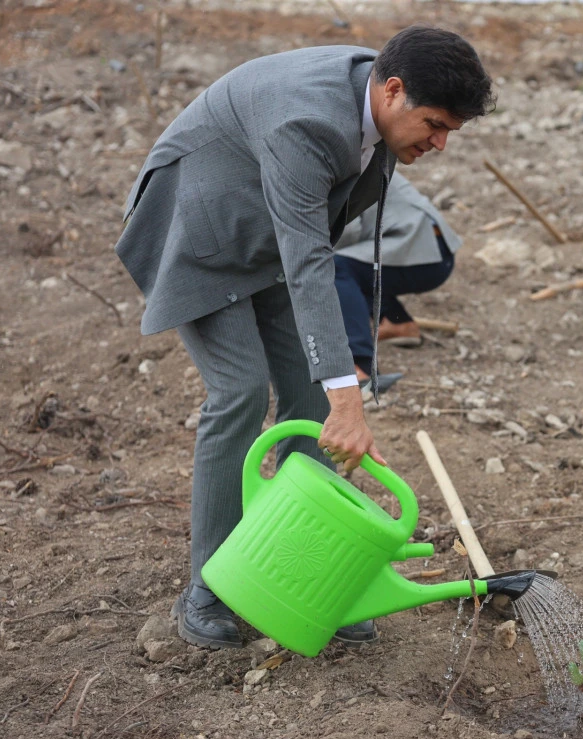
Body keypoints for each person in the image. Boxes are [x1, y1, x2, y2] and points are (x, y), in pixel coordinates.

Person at [114, 27, 495, 650]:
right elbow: (309, 256)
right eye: (434, 124)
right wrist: (351, 396)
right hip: (201, 231)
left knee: (308, 398)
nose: (441, 143)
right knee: (239, 393)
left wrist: (336, 392)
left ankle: (304, 568)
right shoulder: (306, 121)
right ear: (393, 91)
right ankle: (208, 585)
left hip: (265, 236)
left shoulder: (377, 102)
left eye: (452, 130)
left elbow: (309, 246)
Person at [333, 172, 462, 386]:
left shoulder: (337, 166)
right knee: (357, 266)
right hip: (435, 249)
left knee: (337, 268)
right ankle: (398, 322)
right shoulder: (358, 153)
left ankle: (360, 368)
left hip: (422, 250)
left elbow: (346, 231)